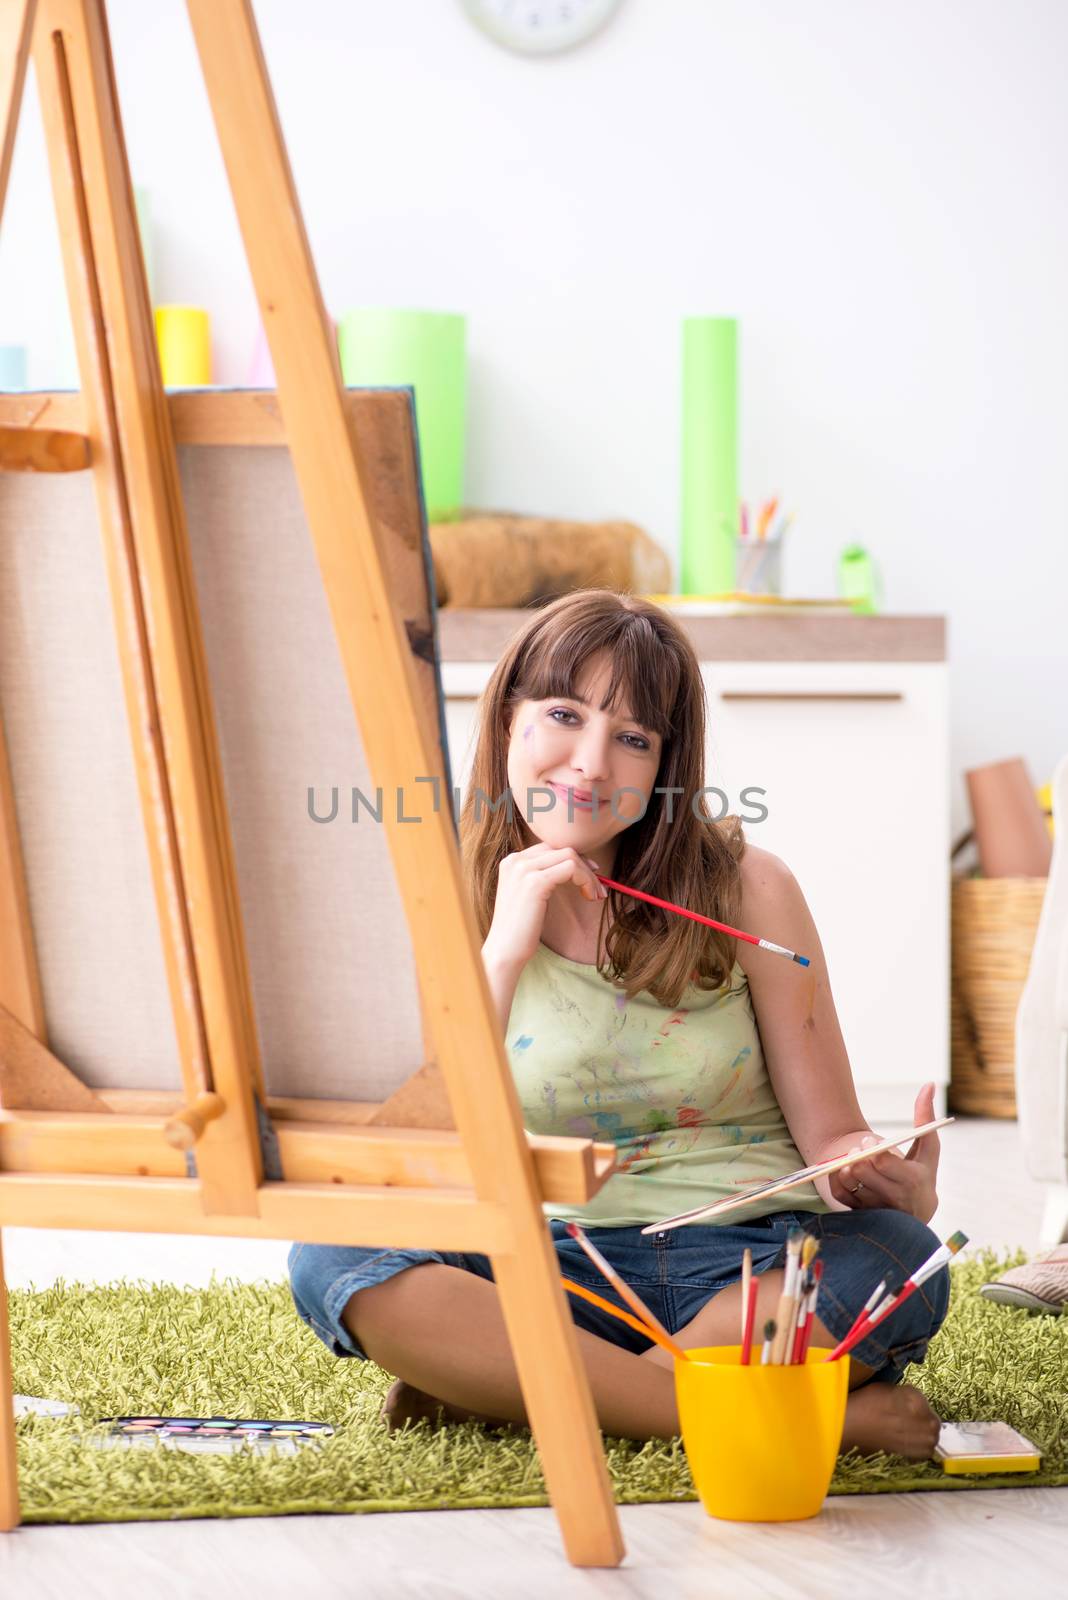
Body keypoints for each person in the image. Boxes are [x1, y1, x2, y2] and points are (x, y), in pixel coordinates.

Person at [289, 590, 950, 1459]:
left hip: (752, 1259)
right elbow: (423, 1149)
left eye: (632, 738)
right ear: (507, 722)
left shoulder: (751, 888)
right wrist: (501, 955)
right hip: (556, 1264)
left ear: (666, 767)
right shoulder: (440, 887)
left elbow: (830, 1138)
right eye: (564, 714)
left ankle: (515, 1391)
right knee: (332, 1250)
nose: (591, 764)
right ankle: (765, 1414)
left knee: (901, 1255)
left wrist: (871, 1174)